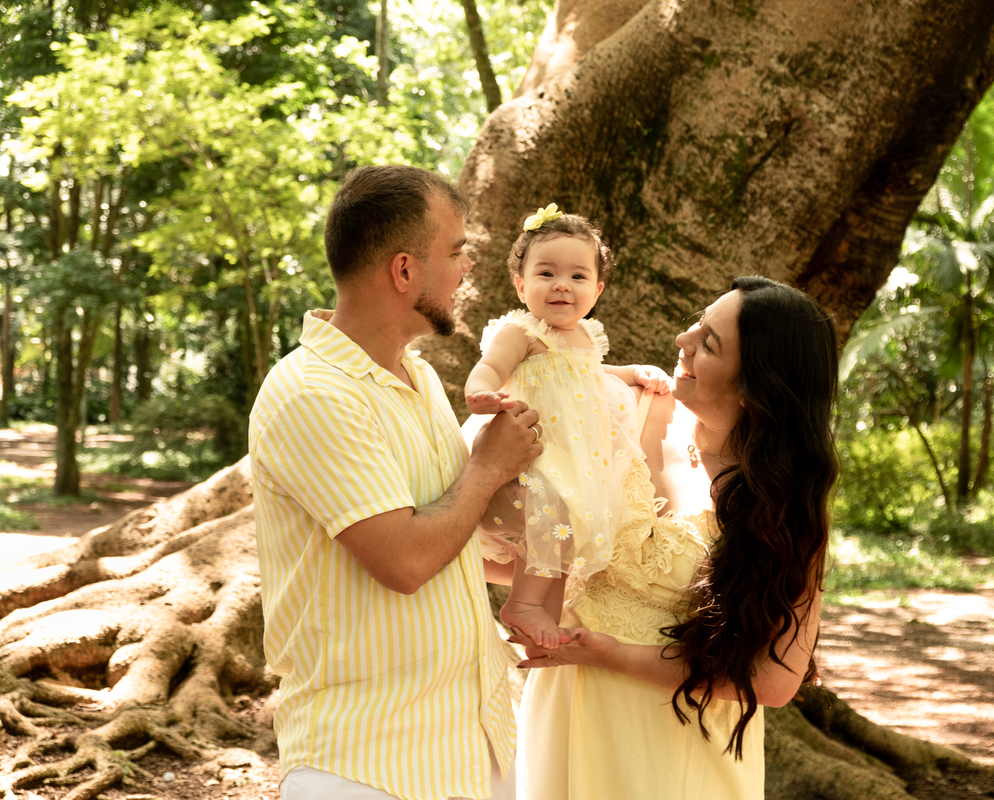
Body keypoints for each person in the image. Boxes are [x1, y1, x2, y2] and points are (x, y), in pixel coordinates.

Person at [249, 165, 543, 800]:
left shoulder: (422, 380)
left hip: (476, 749)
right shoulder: (311, 393)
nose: (467, 268)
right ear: (405, 270)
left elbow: (448, 537)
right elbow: (405, 559)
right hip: (367, 766)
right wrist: (490, 467)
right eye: (457, 251)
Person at [512, 276, 839, 799]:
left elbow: (775, 682)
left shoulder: (786, 498)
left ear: (758, 383)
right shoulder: (619, 409)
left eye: (709, 342)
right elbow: (535, 547)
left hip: (680, 747)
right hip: (566, 707)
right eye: (698, 322)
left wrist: (612, 654)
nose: (683, 342)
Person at [463, 204, 669, 649]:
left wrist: (635, 372)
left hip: (575, 462)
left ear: (596, 289)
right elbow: (489, 367)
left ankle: (542, 618)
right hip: (534, 456)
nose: (562, 285)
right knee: (551, 516)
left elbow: (593, 373)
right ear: (521, 285)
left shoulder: (586, 337)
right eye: (546, 273)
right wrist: (482, 392)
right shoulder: (521, 333)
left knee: (564, 534)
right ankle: (522, 604)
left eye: (577, 276)